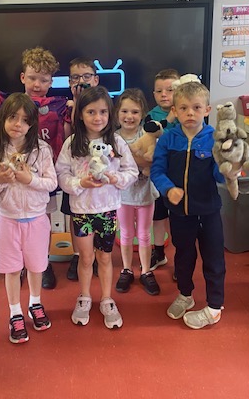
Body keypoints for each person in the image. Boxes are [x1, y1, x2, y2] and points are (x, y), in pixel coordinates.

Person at [0, 46, 71, 290]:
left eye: (43, 80)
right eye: (32, 78)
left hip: (42, 171)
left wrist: (71, 111)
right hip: (12, 186)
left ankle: (41, 262)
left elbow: (67, 136)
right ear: (23, 77)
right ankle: (20, 264)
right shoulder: (9, 106)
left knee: (43, 218)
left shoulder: (58, 106)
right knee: (14, 227)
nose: (37, 84)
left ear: (51, 82)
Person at [56, 86, 138, 329]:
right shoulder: (72, 143)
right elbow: (61, 174)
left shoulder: (116, 142)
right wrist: (79, 183)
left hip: (108, 210)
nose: (97, 117)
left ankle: (106, 299)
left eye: (103, 112)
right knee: (85, 258)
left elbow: (131, 171)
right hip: (82, 211)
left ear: (110, 114)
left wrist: (116, 178)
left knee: (105, 257)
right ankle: (84, 297)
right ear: (81, 114)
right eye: (91, 112)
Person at [150, 81, 226, 330]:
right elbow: (157, 170)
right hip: (179, 213)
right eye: (183, 108)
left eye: (196, 107)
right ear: (175, 111)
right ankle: (185, 294)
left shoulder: (215, 138)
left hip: (208, 212)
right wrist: (168, 189)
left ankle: (214, 307)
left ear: (207, 110)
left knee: (213, 257)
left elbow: (219, 176)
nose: (190, 113)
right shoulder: (167, 139)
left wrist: (230, 170)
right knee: (183, 256)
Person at [0, 93, 57, 343]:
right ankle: (15, 312)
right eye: (13, 117)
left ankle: (35, 303)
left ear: (32, 124)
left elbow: (51, 183)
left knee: (37, 267)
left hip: (37, 220)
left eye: (25, 120)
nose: (18, 124)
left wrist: (30, 179)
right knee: (12, 269)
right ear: (3, 118)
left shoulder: (42, 150)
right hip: (8, 221)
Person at [114, 88, 161, 295]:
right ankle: (126, 269)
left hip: (145, 194)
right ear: (117, 113)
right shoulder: (114, 138)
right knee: (125, 233)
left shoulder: (148, 135)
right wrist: (137, 161)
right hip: (123, 196)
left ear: (142, 114)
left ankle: (146, 271)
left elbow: (152, 161)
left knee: (143, 234)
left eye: (134, 112)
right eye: (124, 111)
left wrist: (132, 160)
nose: (129, 116)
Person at [63, 57, 100, 282]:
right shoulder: (67, 106)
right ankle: (78, 254)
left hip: (98, 171)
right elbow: (68, 135)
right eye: (75, 78)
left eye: (86, 76)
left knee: (99, 213)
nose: (81, 81)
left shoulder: (103, 105)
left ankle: (95, 254)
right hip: (76, 172)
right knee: (73, 212)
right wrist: (76, 102)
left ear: (95, 79)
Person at [145, 68, 180, 273]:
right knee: (158, 216)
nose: (164, 95)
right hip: (158, 175)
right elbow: (152, 138)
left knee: (176, 219)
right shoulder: (151, 116)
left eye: (170, 90)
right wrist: (170, 119)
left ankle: (179, 258)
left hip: (180, 174)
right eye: (159, 91)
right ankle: (159, 252)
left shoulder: (186, 112)